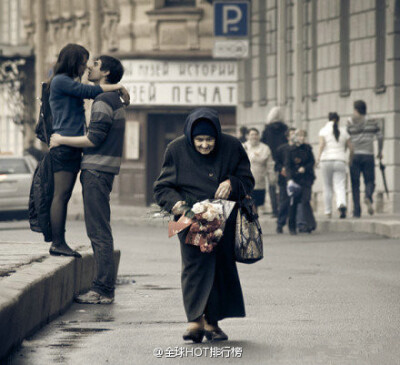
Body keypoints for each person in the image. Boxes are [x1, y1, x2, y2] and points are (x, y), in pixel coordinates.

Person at [153, 108, 254, 343]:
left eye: (210, 139)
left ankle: (213, 322)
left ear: (217, 136)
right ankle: (195, 321)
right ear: (191, 137)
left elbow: (248, 179)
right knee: (194, 267)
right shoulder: (176, 149)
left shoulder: (232, 146)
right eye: (199, 140)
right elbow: (162, 187)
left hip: (223, 219)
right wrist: (176, 204)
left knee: (219, 268)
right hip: (189, 219)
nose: (205, 145)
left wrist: (232, 182)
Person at [50, 55, 126, 304]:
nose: (88, 68)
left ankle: (103, 289)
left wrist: (61, 139)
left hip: (96, 171)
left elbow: (93, 140)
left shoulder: (104, 100)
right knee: (100, 229)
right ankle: (104, 287)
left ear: (105, 73)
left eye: (94, 65)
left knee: (98, 231)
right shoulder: (113, 99)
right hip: (103, 170)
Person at [347, 100, 383, 217]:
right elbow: (380, 136)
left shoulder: (349, 122)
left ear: (356, 109)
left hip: (354, 156)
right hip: (368, 155)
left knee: (355, 184)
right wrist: (380, 151)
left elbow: (347, 139)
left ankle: (357, 211)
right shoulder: (372, 121)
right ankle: (368, 196)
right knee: (370, 181)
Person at [317, 112, 354, 218]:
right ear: (338, 120)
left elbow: (322, 145)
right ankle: (341, 204)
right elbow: (351, 148)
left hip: (326, 160)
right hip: (340, 160)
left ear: (328, 119)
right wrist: (349, 159)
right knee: (340, 185)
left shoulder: (323, 130)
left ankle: (328, 211)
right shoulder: (344, 131)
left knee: (327, 186)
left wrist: (318, 158)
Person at [285, 129, 316, 234]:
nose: (302, 138)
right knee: (294, 203)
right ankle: (292, 227)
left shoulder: (308, 148)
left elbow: (312, 162)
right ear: (295, 138)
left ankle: (310, 225)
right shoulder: (290, 150)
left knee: (306, 200)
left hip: (306, 178)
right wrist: (289, 180)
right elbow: (288, 166)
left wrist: (305, 168)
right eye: (299, 136)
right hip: (295, 179)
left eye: (303, 136)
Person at [261, 106, 289, 217]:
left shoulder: (267, 130)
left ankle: (275, 210)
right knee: (282, 185)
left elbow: (263, 144)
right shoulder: (285, 129)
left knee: (272, 185)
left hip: (270, 160)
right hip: (282, 159)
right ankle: (283, 208)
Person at [243, 128, 271, 213]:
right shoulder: (243, 146)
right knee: (248, 203)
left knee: (257, 203)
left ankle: (254, 220)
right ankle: (250, 221)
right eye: (252, 135)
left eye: (256, 134)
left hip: (259, 180)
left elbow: (267, 162)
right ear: (247, 136)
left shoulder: (264, 148)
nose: (254, 137)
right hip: (245, 180)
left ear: (258, 136)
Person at [275, 127, 296, 233]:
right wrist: (281, 169)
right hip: (284, 179)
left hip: (296, 178)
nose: (294, 135)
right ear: (288, 136)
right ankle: (280, 223)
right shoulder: (281, 149)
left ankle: (296, 225)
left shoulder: (300, 148)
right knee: (284, 202)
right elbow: (277, 164)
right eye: (292, 133)